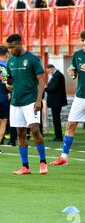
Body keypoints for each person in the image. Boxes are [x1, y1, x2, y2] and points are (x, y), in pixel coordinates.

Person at [51, 30, 85, 166]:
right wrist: (71, 73)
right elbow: (74, 73)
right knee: (71, 124)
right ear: (80, 41)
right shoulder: (77, 55)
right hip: (80, 95)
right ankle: (64, 157)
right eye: (82, 40)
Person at [6, 34, 47, 175]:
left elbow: (41, 81)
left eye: (12, 47)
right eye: (9, 48)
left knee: (35, 129)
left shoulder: (32, 59)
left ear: (19, 44)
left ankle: (43, 162)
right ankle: (25, 166)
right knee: (20, 133)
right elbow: (11, 83)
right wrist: (6, 81)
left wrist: (38, 100)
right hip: (16, 101)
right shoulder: (10, 62)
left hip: (30, 101)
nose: (10, 50)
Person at [44, 64, 67, 142]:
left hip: (56, 101)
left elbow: (53, 88)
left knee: (56, 119)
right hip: (56, 101)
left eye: (48, 71)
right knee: (55, 119)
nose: (49, 73)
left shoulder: (57, 75)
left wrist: (45, 88)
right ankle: (58, 135)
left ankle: (58, 136)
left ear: (51, 68)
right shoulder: (57, 75)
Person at [0, 46, 10, 150]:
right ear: (6, 54)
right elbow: (8, 84)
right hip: (2, 96)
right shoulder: (6, 67)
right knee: (3, 121)